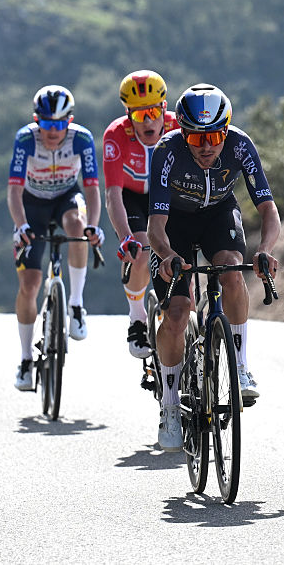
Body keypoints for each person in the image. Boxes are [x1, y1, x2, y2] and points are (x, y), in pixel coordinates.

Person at [147, 84, 280, 451]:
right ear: (182, 131)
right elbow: (155, 226)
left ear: (227, 130)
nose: (207, 147)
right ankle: (170, 406)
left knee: (232, 270)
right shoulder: (167, 152)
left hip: (219, 214)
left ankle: (239, 364)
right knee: (177, 312)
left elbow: (268, 209)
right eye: (195, 137)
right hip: (174, 221)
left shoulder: (240, 145)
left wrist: (266, 249)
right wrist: (168, 255)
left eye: (215, 136)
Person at [8, 85, 105, 391]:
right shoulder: (26, 139)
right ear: (37, 120)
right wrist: (21, 225)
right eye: (46, 124)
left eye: (59, 124)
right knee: (30, 286)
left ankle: (75, 304)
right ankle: (25, 359)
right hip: (32, 204)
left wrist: (94, 225)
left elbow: (91, 187)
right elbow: (14, 190)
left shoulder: (82, 139)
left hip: (67, 197)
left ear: (69, 120)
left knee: (77, 226)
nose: (52, 131)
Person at [103, 70, 179, 358]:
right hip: (132, 198)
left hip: (167, 195)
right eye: (138, 116)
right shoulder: (115, 135)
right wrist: (125, 238)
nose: (147, 122)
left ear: (163, 108)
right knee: (141, 252)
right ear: (127, 114)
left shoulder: (178, 126)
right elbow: (112, 194)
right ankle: (137, 318)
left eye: (152, 113)